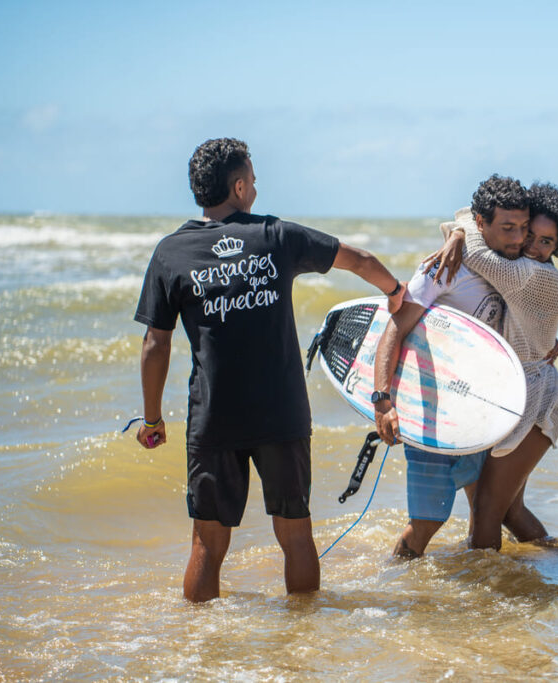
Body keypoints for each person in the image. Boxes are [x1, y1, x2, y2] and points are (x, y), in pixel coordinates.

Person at [134, 138, 406, 602]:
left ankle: (199, 641)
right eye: (253, 181)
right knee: (295, 535)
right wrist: (396, 293)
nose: (256, 188)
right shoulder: (276, 236)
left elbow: (155, 345)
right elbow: (358, 260)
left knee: (207, 544)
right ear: (239, 187)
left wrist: (153, 418)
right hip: (282, 414)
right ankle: (301, 634)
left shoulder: (171, 253)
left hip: (214, 417)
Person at [372, 174, 553, 558]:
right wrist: (382, 400)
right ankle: (394, 581)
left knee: (485, 514)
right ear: (481, 224)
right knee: (426, 523)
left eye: (523, 227)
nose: (519, 238)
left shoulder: (512, 266)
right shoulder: (445, 267)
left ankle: (488, 585)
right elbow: (395, 329)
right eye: (507, 228)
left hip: (481, 412)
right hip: (436, 411)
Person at [434, 181, 558, 550]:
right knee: (510, 511)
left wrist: (460, 233)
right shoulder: (523, 268)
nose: (532, 246)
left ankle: (484, 583)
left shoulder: (533, 275)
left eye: (546, 241)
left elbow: (476, 249)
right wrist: (461, 233)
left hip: (535, 398)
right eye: (529, 233)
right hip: (508, 391)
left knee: (486, 509)